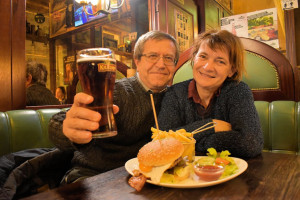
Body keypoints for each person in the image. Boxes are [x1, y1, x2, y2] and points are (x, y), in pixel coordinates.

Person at [48, 30, 180, 184]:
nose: (161, 64)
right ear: (137, 61)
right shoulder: (114, 91)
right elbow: (58, 120)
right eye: (152, 56)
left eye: (169, 58)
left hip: (148, 179)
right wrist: (67, 129)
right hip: (93, 176)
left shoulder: (177, 98)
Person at [157, 30, 263, 158]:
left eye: (220, 61)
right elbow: (162, 141)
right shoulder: (174, 93)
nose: (208, 67)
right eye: (203, 56)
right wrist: (210, 125)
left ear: (231, 70)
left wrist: (194, 142)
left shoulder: (238, 91)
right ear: (194, 58)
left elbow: (251, 143)